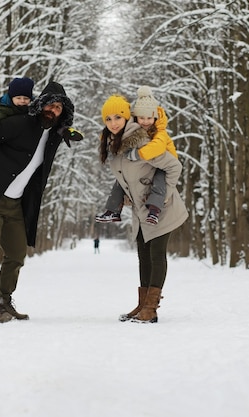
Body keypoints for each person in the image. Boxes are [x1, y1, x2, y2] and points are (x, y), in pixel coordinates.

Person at [0, 81, 79, 323]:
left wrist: (68, 131)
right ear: (40, 105)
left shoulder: (53, 137)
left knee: (17, 253)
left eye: (59, 107)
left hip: (17, 204)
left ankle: (5, 299)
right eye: (50, 104)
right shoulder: (19, 124)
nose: (53, 110)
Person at [98, 94, 188, 323]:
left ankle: (151, 308)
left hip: (162, 208)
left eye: (118, 117)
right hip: (141, 212)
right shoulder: (115, 145)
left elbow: (174, 166)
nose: (114, 122)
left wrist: (163, 197)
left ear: (128, 117)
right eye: (108, 119)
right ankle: (142, 305)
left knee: (156, 255)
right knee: (143, 257)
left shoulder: (142, 142)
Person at [0, 77, 83, 201]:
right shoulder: (5, 111)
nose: (22, 101)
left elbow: (55, 125)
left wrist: (66, 131)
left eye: (25, 98)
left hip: (16, 196)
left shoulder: (33, 114)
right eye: (18, 98)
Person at [95, 86, 177, 225]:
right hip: (140, 210)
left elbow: (157, 149)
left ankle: (155, 209)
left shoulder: (157, 133)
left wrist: (139, 154)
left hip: (163, 164)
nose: (145, 121)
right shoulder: (120, 137)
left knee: (159, 181)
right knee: (120, 180)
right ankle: (113, 211)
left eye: (149, 118)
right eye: (141, 118)